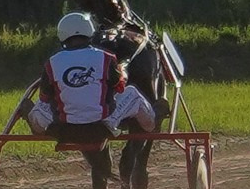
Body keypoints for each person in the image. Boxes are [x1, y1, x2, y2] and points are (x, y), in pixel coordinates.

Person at [23, 12, 158, 141]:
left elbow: (45, 97)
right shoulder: (107, 58)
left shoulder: (52, 62)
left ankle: (37, 127)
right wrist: (122, 73)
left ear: (62, 35)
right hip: (102, 127)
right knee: (133, 93)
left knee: (39, 105)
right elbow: (120, 88)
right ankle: (151, 125)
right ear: (90, 32)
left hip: (64, 130)